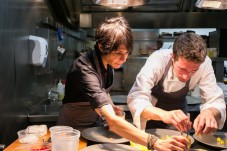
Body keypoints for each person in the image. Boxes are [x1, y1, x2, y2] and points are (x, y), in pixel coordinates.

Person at [57, 17, 190, 151]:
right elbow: (112, 122)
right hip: (71, 129)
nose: (124, 59)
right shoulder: (84, 68)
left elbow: (101, 90)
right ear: (101, 47)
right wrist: (155, 142)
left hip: (93, 125)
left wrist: (111, 106)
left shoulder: (108, 63)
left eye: (127, 53)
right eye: (118, 53)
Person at [127, 33, 226, 135]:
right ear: (172, 57)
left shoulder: (204, 64)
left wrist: (210, 112)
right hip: (151, 116)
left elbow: (215, 100)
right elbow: (136, 98)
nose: (186, 76)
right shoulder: (158, 60)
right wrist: (163, 114)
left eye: (193, 71)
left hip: (180, 119)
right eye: (182, 69)